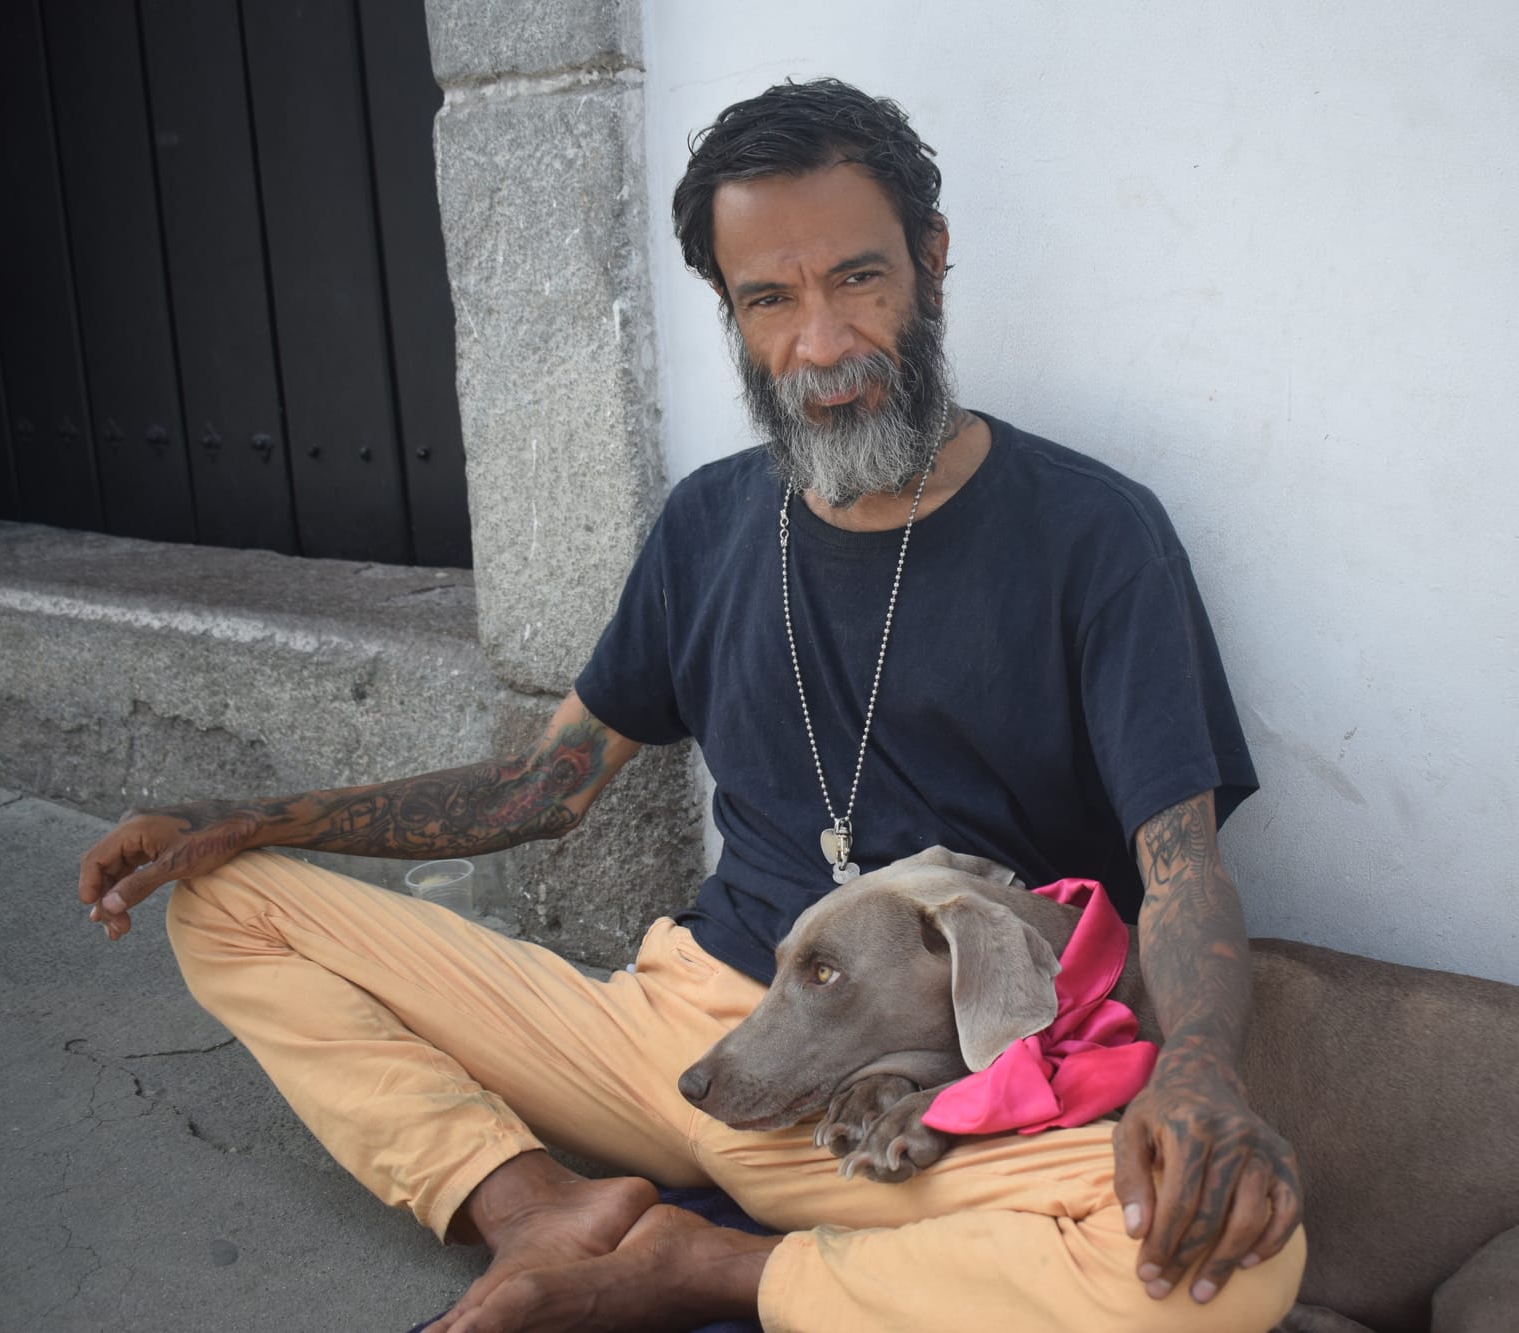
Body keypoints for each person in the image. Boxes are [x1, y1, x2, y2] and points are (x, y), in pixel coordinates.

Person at [77, 79, 1305, 1333]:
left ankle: (702, 1268)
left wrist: (1201, 1072)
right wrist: (245, 815)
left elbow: (1181, 869)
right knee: (226, 902)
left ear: (931, 267)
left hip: (904, 1102)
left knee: (1229, 1276)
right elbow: (540, 786)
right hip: (669, 1032)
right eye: (770, 299)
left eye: (857, 279)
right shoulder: (710, 523)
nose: (820, 343)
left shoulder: (1094, 535)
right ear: (729, 311)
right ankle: (532, 1205)